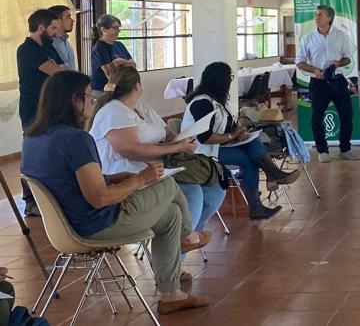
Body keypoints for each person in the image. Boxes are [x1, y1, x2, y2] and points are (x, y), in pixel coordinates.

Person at [19, 71, 211, 315]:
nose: (92, 101)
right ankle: (188, 238)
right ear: (74, 100)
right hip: (97, 224)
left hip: (64, 226)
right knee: (166, 183)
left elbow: (65, 179)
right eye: (88, 96)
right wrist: (142, 179)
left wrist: (111, 178)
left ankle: (171, 293)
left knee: (171, 214)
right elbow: (100, 199)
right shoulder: (76, 140)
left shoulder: (32, 139)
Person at [88, 66, 226, 234]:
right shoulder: (113, 111)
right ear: (138, 86)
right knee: (192, 192)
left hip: (158, 166)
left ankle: (188, 234)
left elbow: (166, 133)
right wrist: (177, 147)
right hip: (128, 174)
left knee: (215, 186)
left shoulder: (142, 107)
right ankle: (182, 240)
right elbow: (131, 150)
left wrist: (178, 139)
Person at [182, 62, 299, 220]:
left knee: (252, 141)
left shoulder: (216, 101)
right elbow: (205, 137)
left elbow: (228, 125)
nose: (231, 81)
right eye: (229, 77)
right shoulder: (202, 103)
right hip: (201, 153)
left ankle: (270, 178)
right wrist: (232, 136)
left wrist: (239, 132)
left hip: (218, 147)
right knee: (249, 160)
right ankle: (266, 186)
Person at [17, 9, 65, 216]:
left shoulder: (48, 47)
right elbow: (56, 71)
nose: (55, 33)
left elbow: (63, 68)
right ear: (40, 28)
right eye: (52, 28)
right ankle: (30, 201)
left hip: (50, 107)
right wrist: (58, 68)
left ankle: (52, 198)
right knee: (33, 154)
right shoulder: (27, 49)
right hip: (32, 109)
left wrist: (59, 68)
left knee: (52, 152)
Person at [295, 4, 358, 162]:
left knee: (347, 116)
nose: (316, 18)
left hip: (338, 81)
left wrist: (338, 63)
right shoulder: (308, 38)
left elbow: (348, 57)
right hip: (318, 83)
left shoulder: (341, 35)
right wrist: (314, 70)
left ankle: (345, 149)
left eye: (320, 15)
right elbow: (300, 62)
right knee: (317, 118)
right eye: (316, 15)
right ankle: (323, 151)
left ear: (329, 17)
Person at [90, 14, 135, 94]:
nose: (118, 31)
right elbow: (109, 73)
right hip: (103, 91)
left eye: (118, 28)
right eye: (115, 28)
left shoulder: (119, 45)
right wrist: (125, 64)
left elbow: (133, 65)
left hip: (121, 87)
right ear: (104, 30)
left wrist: (121, 61)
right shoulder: (99, 47)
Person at [47, 5, 77, 71]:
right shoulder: (50, 44)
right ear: (57, 21)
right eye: (68, 17)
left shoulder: (66, 42)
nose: (72, 20)